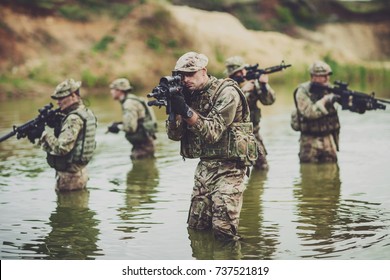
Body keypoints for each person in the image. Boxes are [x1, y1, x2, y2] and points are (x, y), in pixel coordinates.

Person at [166, 51, 258, 241]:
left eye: (190, 74)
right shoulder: (189, 95)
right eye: (181, 75)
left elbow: (212, 132)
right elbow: (174, 135)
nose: (186, 79)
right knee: (197, 229)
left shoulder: (227, 92)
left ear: (204, 71)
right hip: (204, 168)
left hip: (230, 168)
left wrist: (185, 109)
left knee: (223, 232)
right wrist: (173, 110)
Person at [29, 78, 97, 192]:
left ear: (74, 96)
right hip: (79, 173)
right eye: (57, 98)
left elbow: (62, 148)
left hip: (70, 180)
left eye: (61, 98)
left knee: (68, 210)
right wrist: (57, 123)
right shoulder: (85, 112)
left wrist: (43, 134)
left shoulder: (73, 118)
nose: (58, 102)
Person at [224, 56, 276, 170]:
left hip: (254, 133)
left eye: (244, 70)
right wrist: (243, 91)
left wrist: (263, 85)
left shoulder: (253, 83)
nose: (243, 73)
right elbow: (226, 108)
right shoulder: (226, 87)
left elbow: (269, 101)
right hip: (234, 136)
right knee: (237, 169)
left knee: (262, 166)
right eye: (239, 72)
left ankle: (257, 187)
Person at [291, 61, 340, 163]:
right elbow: (309, 113)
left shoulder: (331, 90)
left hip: (329, 139)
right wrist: (324, 101)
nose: (327, 78)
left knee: (332, 174)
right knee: (309, 174)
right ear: (313, 76)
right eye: (323, 76)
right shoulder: (303, 91)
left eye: (328, 75)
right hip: (310, 141)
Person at [107, 78, 157, 160]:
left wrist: (117, 127)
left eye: (113, 89)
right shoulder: (131, 100)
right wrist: (120, 124)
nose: (111, 92)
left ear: (119, 91)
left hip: (143, 147)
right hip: (144, 144)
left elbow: (130, 127)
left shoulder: (128, 104)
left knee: (141, 171)